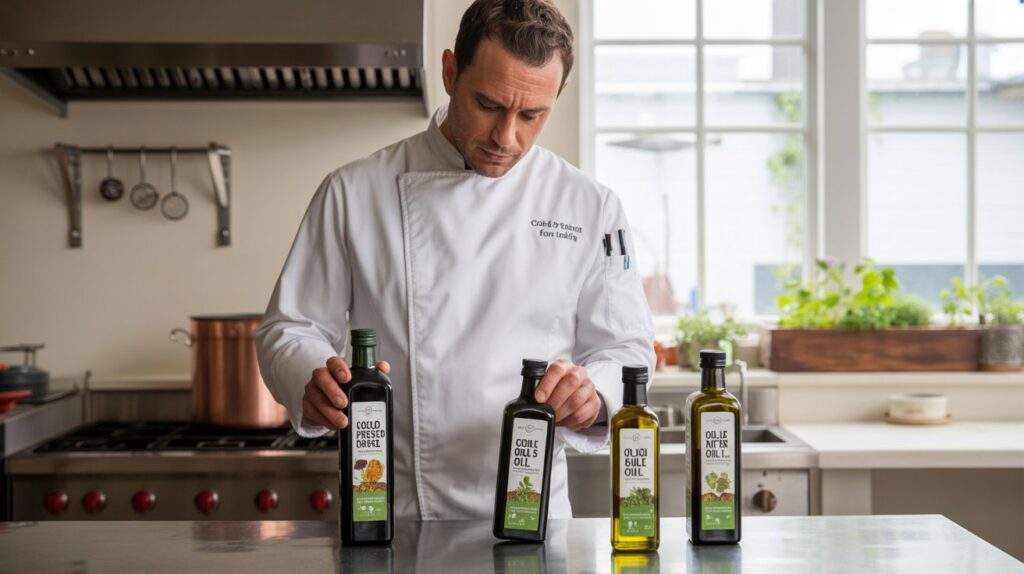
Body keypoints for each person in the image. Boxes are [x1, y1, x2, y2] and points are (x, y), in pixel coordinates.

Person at [255, 0, 654, 521]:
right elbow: (289, 327)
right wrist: (314, 378)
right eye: (488, 104)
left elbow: (626, 348)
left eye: (532, 115)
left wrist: (594, 397)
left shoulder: (591, 206)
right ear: (450, 72)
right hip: (394, 516)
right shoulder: (353, 192)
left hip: (531, 516)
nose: (506, 137)